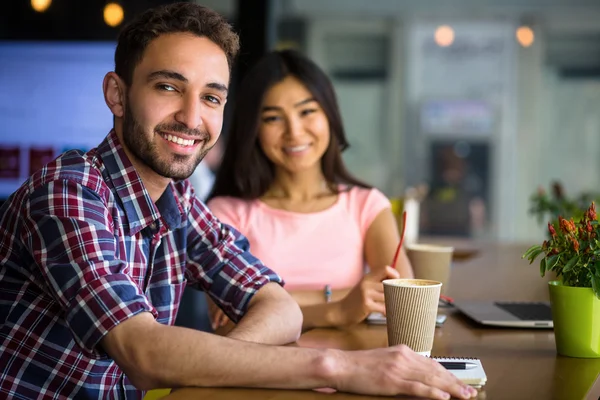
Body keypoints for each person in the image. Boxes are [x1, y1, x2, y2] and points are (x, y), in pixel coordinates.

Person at [0, 3, 477, 400]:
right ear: (117, 95)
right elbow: (143, 352)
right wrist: (336, 366)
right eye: (168, 87)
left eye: (211, 98)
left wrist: (221, 363)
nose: (191, 117)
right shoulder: (69, 191)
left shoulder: (177, 199)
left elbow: (282, 308)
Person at [207, 50, 413, 331]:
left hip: (353, 367)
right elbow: (226, 322)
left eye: (307, 111)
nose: (294, 131)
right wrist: (338, 308)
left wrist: (263, 303)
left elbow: (404, 298)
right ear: (253, 129)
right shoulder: (226, 213)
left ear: (329, 114)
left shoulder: (366, 205)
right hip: (260, 372)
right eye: (273, 118)